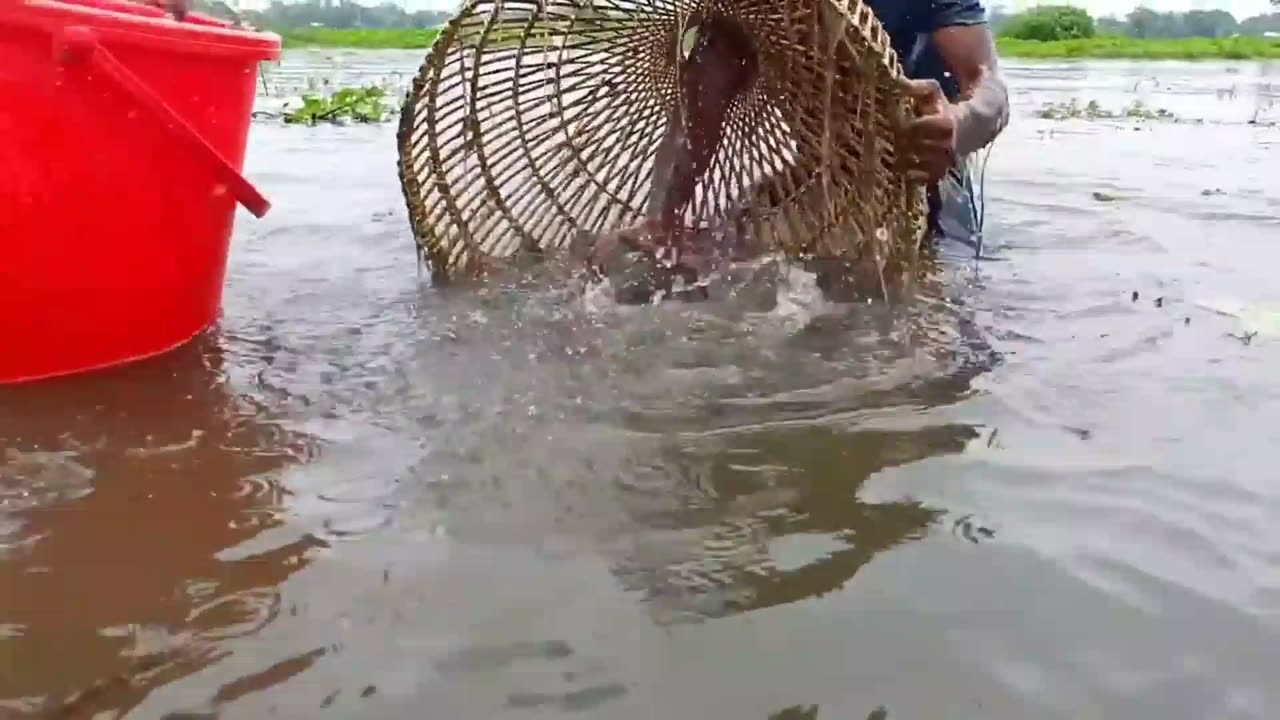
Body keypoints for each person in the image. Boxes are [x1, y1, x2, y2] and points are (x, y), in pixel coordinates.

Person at [581, 0, 1010, 301]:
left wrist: (959, 125)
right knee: (693, 264)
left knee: (928, 311)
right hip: (819, 173)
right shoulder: (752, 10)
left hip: (921, 180)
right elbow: (700, 113)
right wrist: (666, 218)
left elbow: (989, 88)